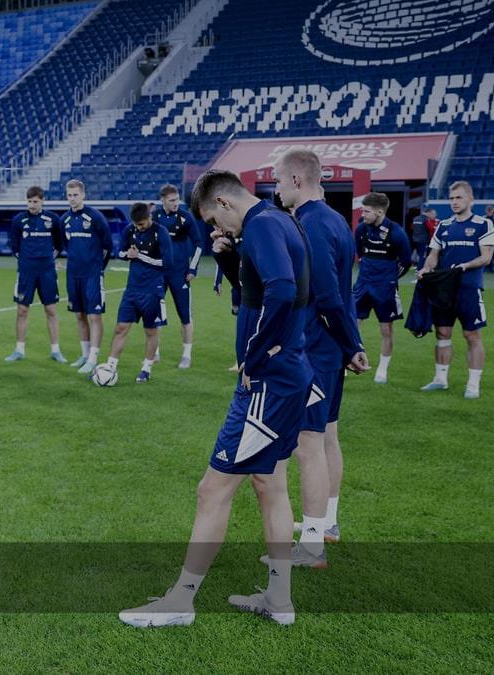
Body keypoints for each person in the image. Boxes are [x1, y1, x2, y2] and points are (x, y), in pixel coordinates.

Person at [119, 170, 313, 628]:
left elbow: (284, 290)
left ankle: (180, 601)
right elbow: (260, 291)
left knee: (212, 490)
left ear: (224, 202)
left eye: (213, 220)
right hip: (288, 376)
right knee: (271, 485)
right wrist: (229, 261)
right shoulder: (279, 220)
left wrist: (255, 354)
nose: (216, 229)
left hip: (267, 384)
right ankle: (279, 599)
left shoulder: (262, 225)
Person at [273, 149, 367, 566]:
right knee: (327, 436)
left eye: (278, 180)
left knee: (307, 443)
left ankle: (312, 544)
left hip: (315, 349)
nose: (276, 188)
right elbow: (345, 292)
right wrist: (352, 344)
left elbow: (328, 296)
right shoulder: (336, 220)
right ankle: (326, 524)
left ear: (296, 180)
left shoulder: (310, 222)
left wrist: (350, 345)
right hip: (330, 348)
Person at [418, 181, 494, 399]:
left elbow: (486, 257)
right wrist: (426, 268)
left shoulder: (483, 224)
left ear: (471, 199)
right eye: (451, 198)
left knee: (471, 335)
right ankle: (440, 379)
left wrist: (464, 266)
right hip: (444, 289)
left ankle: (473, 385)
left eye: (459, 197)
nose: (454, 202)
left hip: (469, 288)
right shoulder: (443, 225)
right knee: (442, 333)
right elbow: (433, 255)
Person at [101, 202, 173, 384]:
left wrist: (140, 256)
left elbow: (167, 263)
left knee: (150, 331)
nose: (139, 227)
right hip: (132, 289)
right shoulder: (129, 230)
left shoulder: (160, 232)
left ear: (149, 217)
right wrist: (128, 255)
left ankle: (146, 369)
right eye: (136, 224)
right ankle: (110, 367)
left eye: (141, 224)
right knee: (120, 328)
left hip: (153, 291)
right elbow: (120, 253)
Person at [353, 192, 412, 384]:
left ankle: (382, 370)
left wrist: (390, 279)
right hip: (363, 283)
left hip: (385, 287)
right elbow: (360, 254)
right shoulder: (361, 229)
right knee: (352, 323)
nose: (362, 214)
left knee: (386, 329)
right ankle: (349, 360)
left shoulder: (397, 233)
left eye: (366, 211)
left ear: (379, 212)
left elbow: (406, 261)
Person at [4, 186, 66, 363]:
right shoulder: (19, 220)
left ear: (42, 201)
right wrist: (26, 261)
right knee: (22, 310)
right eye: (29, 201)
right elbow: (14, 246)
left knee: (51, 310)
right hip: (26, 272)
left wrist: (48, 259)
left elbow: (59, 244)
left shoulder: (53, 219)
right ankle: (19, 350)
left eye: (35, 201)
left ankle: (56, 350)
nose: (32, 205)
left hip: (47, 272)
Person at [60, 179, 113, 375]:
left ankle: (93, 358)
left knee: (94, 316)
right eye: (69, 195)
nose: (72, 199)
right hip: (73, 274)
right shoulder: (64, 219)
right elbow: (66, 245)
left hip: (92, 274)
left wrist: (98, 268)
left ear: (83, 195)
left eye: (75, 195)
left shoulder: (95, 217)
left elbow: (108, 246)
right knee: (79, 315)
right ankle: (84, 355)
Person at [153, 185, 204, 368]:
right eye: (172, 200)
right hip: (159, 273)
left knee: (185, 315)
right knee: (155, 313)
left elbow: (199, 243)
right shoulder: (154, 217)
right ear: (163, 200)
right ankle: (154, 352)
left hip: (180, 274)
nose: (176, 203)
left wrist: (193, 268)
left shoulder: (185, 217)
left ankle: (186, 355)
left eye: (177, 199)